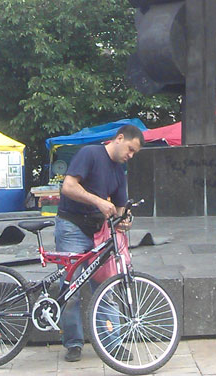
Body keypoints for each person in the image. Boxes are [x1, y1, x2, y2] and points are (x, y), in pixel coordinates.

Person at [54, 124, 144, 363]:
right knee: (70, 290)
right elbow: (68, 186)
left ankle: (112, 344)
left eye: (134, 153)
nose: (130, 155)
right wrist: (98, 201)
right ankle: (73, 343)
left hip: (98, 233)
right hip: (71, 227)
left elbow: (121, 209)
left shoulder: (119, 172)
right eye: (130, 149)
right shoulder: (90, 154)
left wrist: (125, 221)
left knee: (106, 288)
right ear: (119, 138)